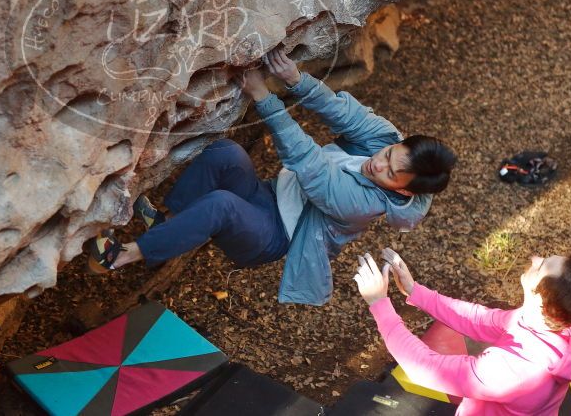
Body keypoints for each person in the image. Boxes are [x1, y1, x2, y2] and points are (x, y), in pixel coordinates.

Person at [89, 47, 456, 305]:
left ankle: (124, 256)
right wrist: (296, 80)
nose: (379, 164)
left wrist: (266, 97)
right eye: (389, 155)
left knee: (223, 205)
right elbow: (342, 113)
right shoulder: (386, 137)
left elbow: (310, 164)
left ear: (403, 193)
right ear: (399, 142)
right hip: (266, 194)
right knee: (227, 153)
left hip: (273, 235)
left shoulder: (364, 205)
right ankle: (168, 225)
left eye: (391, 174)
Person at [354, 248, 571, 415]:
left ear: (544, 301)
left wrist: (379, 303)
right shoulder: (557, 321)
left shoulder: (513, 369)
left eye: (541, 266)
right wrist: (415, 291)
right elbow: (479, 319)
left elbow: (426, 367)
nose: (535, 257)